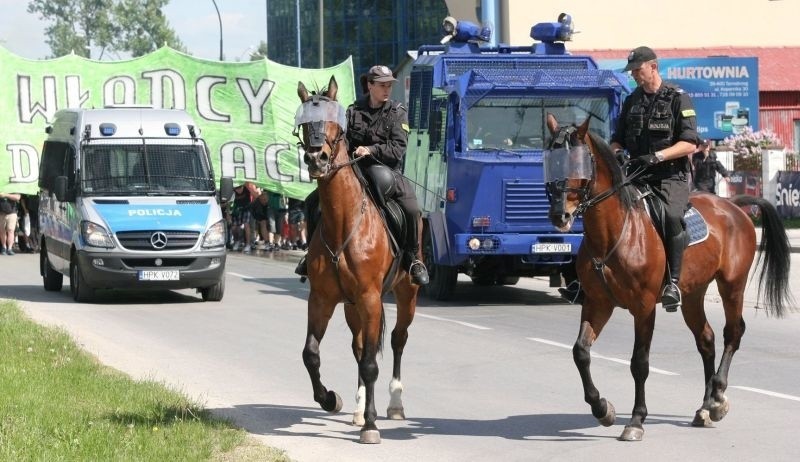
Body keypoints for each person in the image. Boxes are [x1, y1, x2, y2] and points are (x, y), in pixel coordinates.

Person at [295, 65, 429, 285]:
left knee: (412, 209)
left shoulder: (397, 112)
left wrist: (372, 150)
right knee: (312, 202)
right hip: (354, 170)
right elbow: (339, 139)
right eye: (382, 85)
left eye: (389, 85)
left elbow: (398, 148)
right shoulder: (352, 111)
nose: (387, 89)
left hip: (387, 171)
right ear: (370, 85)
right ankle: (310, 254)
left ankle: (413, 259)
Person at [611, 46, 699, 312]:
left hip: (670, 176)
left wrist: (658, 157)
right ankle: (593, 277)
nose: (635, 76)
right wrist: (617, 154)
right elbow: (617, 139)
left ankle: (672, 282)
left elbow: (689, 144)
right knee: (602, 208)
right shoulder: (632, 101)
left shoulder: (678, 99)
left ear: (654, 67)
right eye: (632, 72)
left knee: (672, 216)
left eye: (638, 70)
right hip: (637, 175)